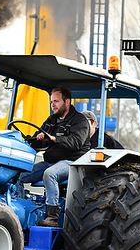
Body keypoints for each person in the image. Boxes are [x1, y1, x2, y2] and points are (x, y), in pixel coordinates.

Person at [21, 86, 90, 227]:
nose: (53, 105)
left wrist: (54, 139)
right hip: (50, 161)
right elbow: (37, 140)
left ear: (67, 102)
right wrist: (36, 139)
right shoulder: (51, 120)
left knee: (49, 174)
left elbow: (76, 143)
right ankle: (22, 208)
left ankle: (52, 217)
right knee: (19, 175)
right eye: (51, 102)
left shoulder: (79, 121)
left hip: (72, 163)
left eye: (56, 101)